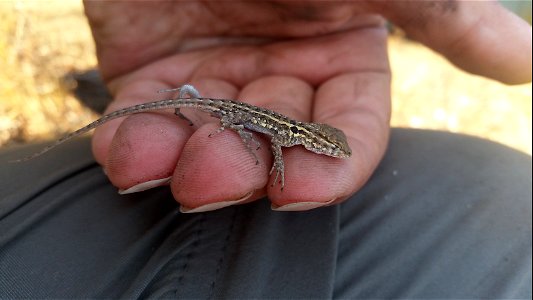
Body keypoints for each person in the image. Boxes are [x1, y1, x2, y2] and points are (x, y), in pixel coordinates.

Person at [0, 2, 531, 298]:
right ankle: (173, 109)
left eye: (325, 145)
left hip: (242, 109)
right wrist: (265, 158)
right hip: (238, 113)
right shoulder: (288, 138)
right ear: (314, 138)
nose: (326, 150)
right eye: (326, 145)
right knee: (222, 137)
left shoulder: (298, 132)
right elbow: (275, 152)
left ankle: (176, 108)